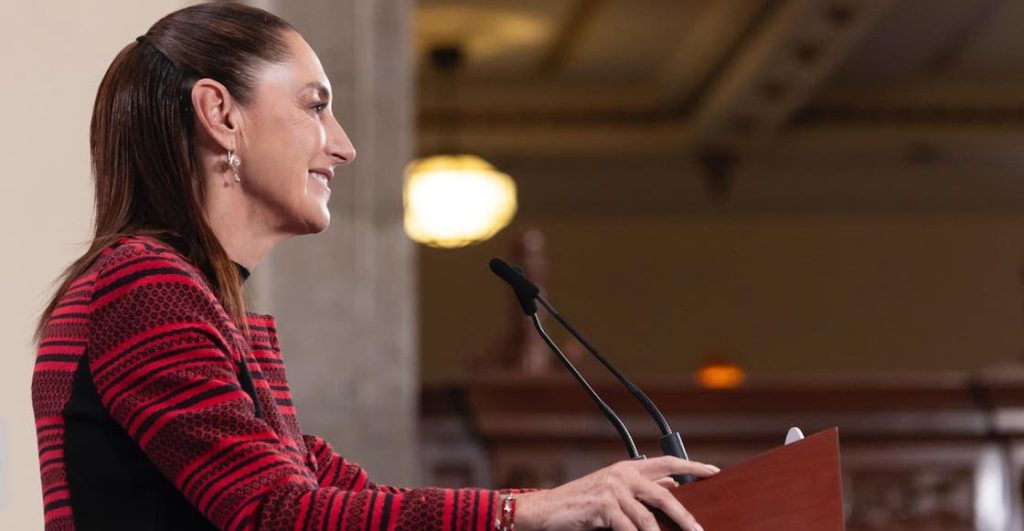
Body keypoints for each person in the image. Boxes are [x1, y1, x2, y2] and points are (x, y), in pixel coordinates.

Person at [31, 4, 718, 530]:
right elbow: (279, 513)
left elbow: (339, 494)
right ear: (219, 112)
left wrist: (561, 503)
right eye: (316, 106)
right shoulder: (143, 286)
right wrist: (530, 512)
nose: (345, 146)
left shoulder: (187, 297)